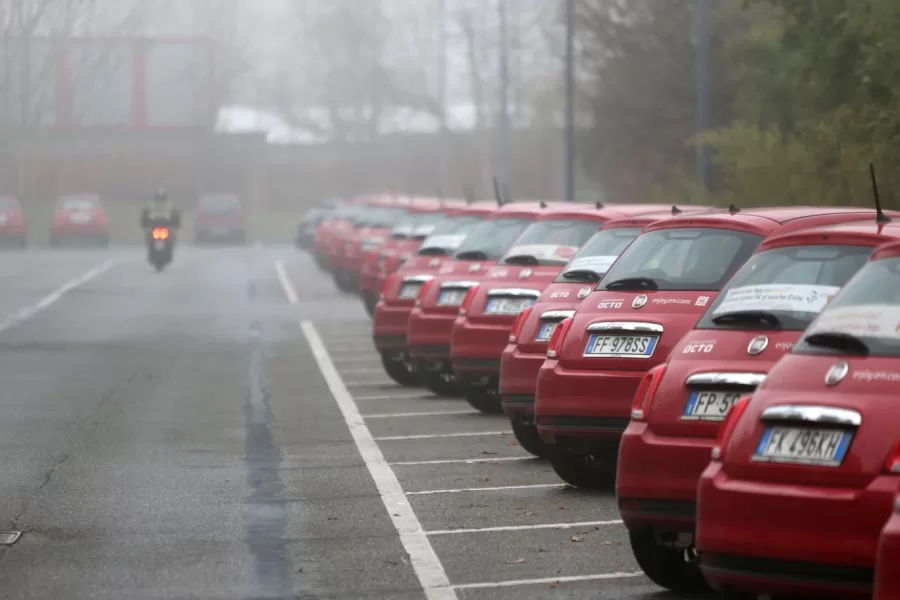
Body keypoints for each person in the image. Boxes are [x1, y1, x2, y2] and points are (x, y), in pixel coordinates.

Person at [141, 188, 181, 259]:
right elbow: (146, 213)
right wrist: (144, 220)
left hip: (166, 225)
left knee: (172, 234)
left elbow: (175, 214)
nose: (160, 199)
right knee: (148, 234)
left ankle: (170, 248)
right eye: (159, 198)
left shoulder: (169, 205)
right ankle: (150, 250)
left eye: (162, 198)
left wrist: (176, 221)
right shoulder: (151, 205)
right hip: (154, 224)